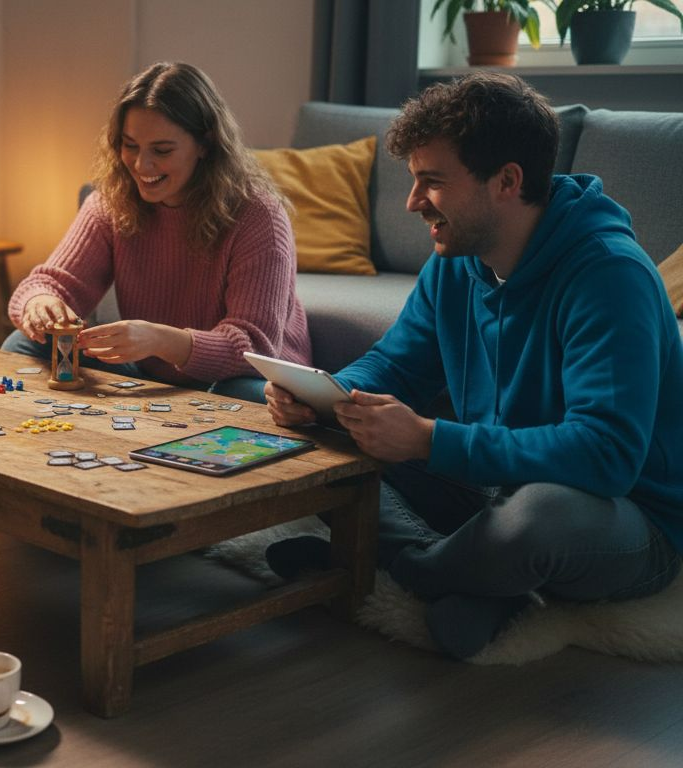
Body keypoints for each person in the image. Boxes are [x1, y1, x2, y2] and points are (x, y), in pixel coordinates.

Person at [263, 72, 683, 659]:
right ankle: (480, 580)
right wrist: (327, 396)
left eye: (431, 182)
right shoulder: (458, 256)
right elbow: (399, 363)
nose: (412, 203)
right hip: (489, 484)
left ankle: (399, 566)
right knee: (320, 441)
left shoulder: (610, 276)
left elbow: (605, 456)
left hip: (624, 520)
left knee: (541, 514)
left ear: (507, 181)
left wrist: (430, 440)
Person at [3, 61, 311, 402]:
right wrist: (41, 302)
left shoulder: (258, 217)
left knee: (248, 395)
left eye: (161, 150)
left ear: (205, 144)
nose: (140, 165)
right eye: (130, 145)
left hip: (247, 380)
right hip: (151, 371)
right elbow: (46, 283)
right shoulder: (110, 202)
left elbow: (254, 350)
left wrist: (160, 341)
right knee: (21, 344)